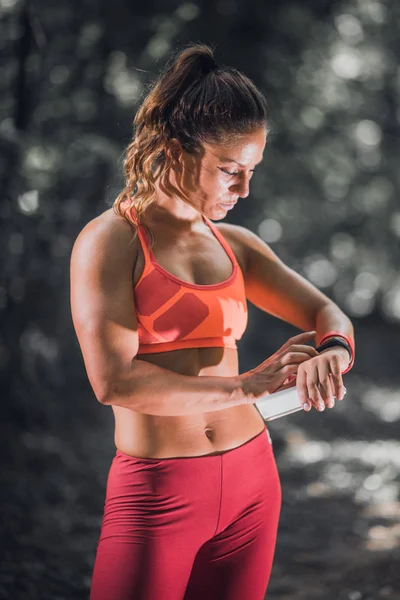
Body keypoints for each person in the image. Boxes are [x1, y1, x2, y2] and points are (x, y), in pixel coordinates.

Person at [70, 43, 355, 600]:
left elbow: (328, 314)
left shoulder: (238, 246)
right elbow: (114, 382)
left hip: (254, 482)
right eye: (230, 171)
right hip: (159, 492)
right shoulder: (111, 241)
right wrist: (247, 385)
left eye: (251, 172)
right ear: (176, 149)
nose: (243, 190)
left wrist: (334, 354)